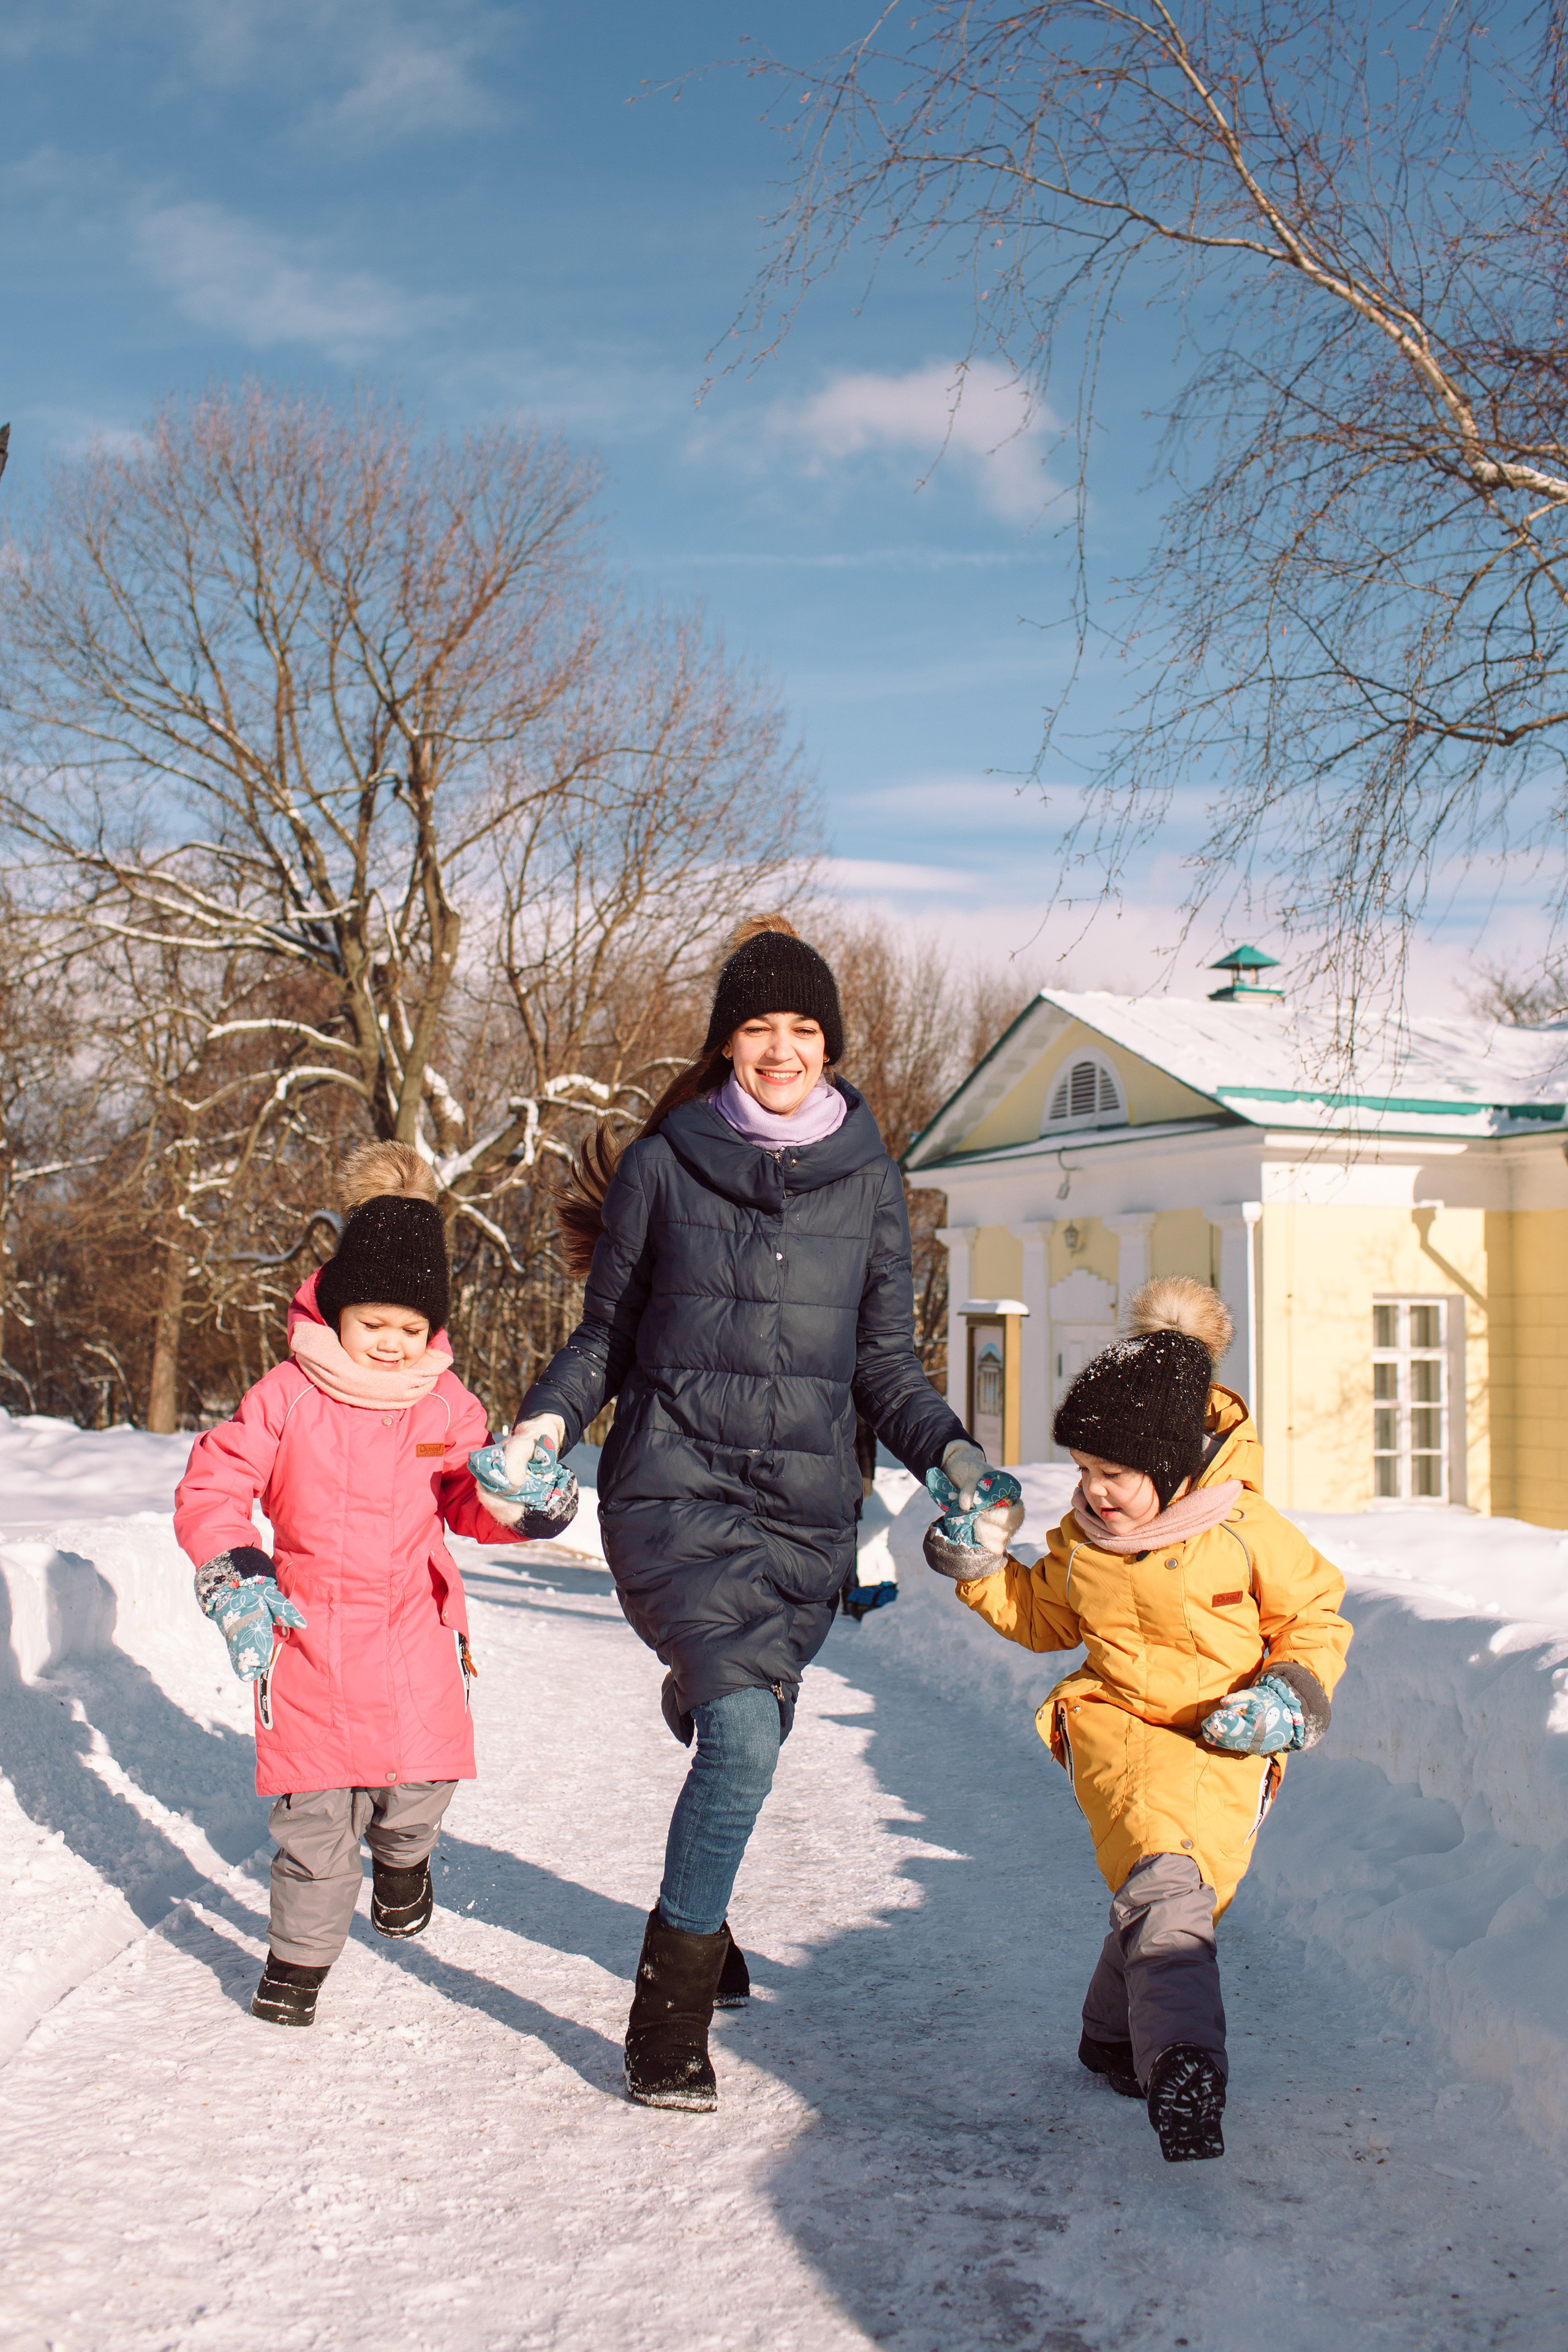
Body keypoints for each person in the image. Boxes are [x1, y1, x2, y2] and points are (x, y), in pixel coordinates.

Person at [484, 915, 1020, 2111]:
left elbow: (884, 1364)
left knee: (744, 1726)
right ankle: (665, 2022)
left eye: (803, 1028)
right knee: (740, 1736)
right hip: (674, 1492)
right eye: (758, 1027)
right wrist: (545, 1422)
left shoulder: (871, 1182)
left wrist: (951, 1454)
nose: (781, 1048)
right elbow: (604, 1337)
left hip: (802, 1515)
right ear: (726, 1042)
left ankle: (707, 1844)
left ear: (829, 1044)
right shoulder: (662, 1168)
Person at [924, 1275, 1351, 2162]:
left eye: (1112, 1474)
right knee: (1168, 1879)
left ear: (1167, 1466)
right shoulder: (1085, 1539)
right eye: (1083, 1471)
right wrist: (981, 1566)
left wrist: (1288, 1695)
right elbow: (1043, 1615)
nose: (1094, 1493)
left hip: (1228, 1735)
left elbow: (1314, 1617)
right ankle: (1184, 2066)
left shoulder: (1244, 1529)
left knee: (1180, 1894)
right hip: (1117, 1725)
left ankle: (1112, 2036)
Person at [174, 1144, 572, 2029]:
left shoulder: (444, 1407)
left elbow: (467, 1497)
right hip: (308, 1637)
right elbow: (214, 1484)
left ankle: (403, 1862)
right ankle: (297, 1964)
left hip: (413, 1634)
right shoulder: (286, 1396)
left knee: (416, 1796)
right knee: (314, 1821)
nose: (391, 1344)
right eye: (373, 1323)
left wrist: (520, 1503)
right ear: (338, 1311)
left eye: (410, 1328)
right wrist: (236, 1567)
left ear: (431, 1330)